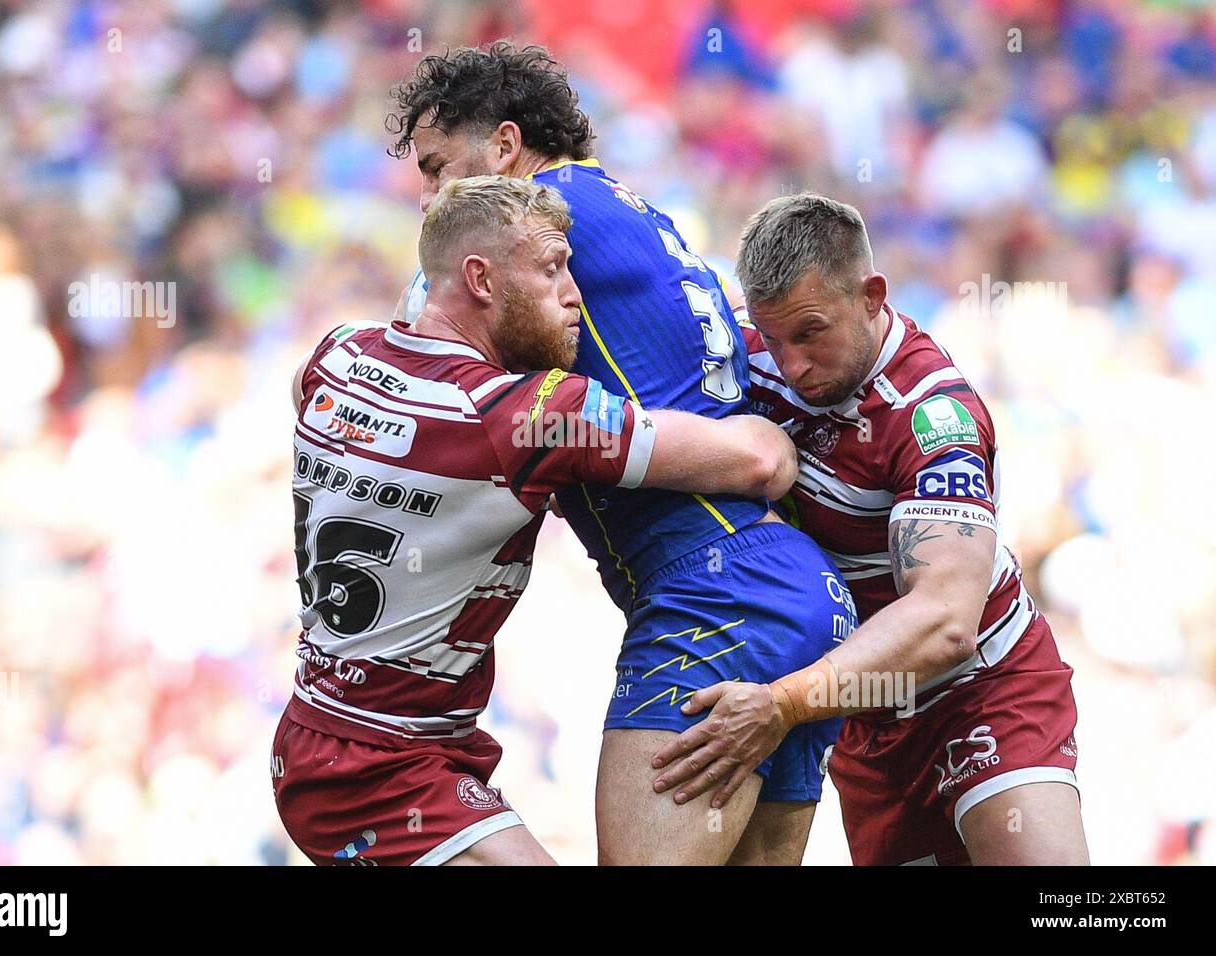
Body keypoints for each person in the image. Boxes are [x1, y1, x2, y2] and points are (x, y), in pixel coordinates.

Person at [387, 43, 856, 865]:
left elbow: (409, 364)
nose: (429, 199)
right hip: (786, 589)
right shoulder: (626, 206)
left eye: (436, 169)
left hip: (713, 596)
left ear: (503, 148)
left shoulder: (524, 225)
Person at [270, 174, 798, 866]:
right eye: (552, 271)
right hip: (377, 768)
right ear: (481, 279)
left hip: (339, 733)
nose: (576, 295)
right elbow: (761, 462)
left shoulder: (336, 354)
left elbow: (313, 389)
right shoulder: (526, 416)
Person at [651, 193, 1090, 866]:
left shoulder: (932, 414)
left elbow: (945, 622)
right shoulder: (747, 351)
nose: (791, 364)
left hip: (984, 689)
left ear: (872, 295)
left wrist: (780, 704)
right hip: (864, 709)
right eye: (773, 338)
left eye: (811, 333)